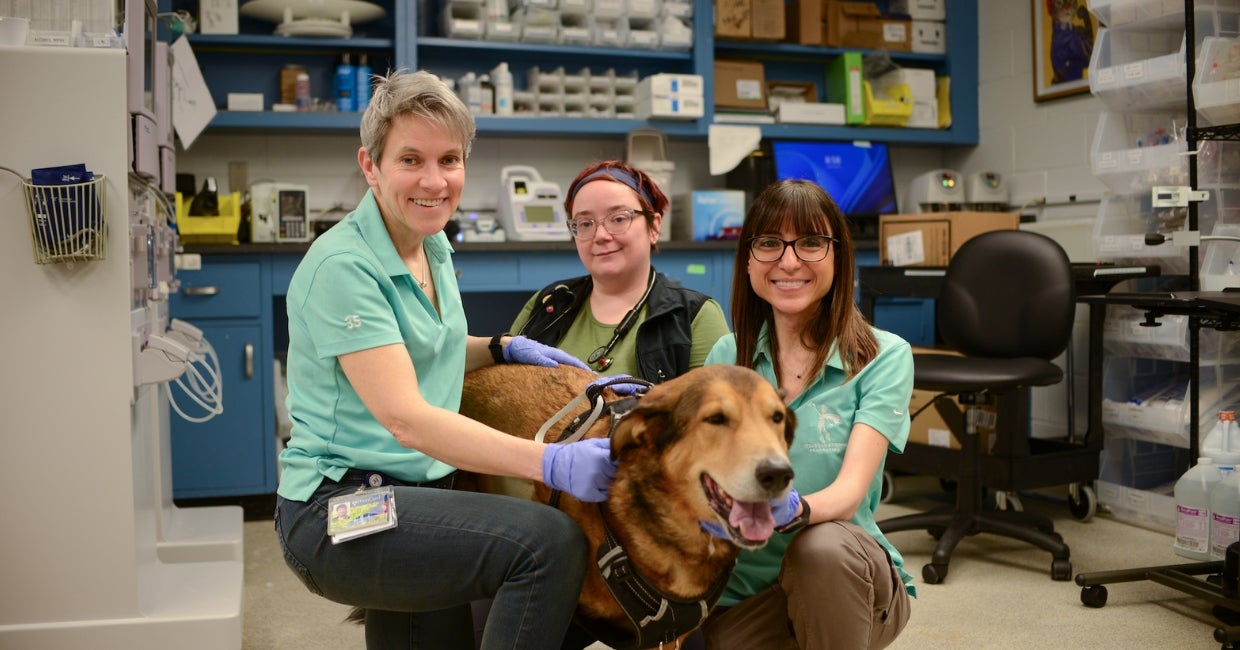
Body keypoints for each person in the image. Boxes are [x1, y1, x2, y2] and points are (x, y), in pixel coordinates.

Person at [274, 69, 621, 650]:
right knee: (548, 544)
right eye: (411, 160)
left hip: (413, 495)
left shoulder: (428, 243)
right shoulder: (344, 267)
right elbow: (405, 416)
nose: (434, 181)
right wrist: (549, 463)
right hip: (341, 510)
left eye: (450, 160)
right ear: (370, 165)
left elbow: (412, 349)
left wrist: (499, 348)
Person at [700, 179, 915, 649]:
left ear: (838, 255)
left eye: (812, 242)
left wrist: (791, 510)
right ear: (749, 260)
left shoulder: (884, 356)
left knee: (818, 549)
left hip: (845, 574)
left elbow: (849, 492)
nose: (790, 261)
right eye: (770, 243)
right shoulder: (725, 355)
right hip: (750, 594)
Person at [508, 160, 730, 383]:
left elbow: (718, 412)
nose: (601, 235)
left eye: (618, 219)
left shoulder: (693, 317)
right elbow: (504, 389)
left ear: (654, 227)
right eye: (585, 223)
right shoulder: (550, 303)